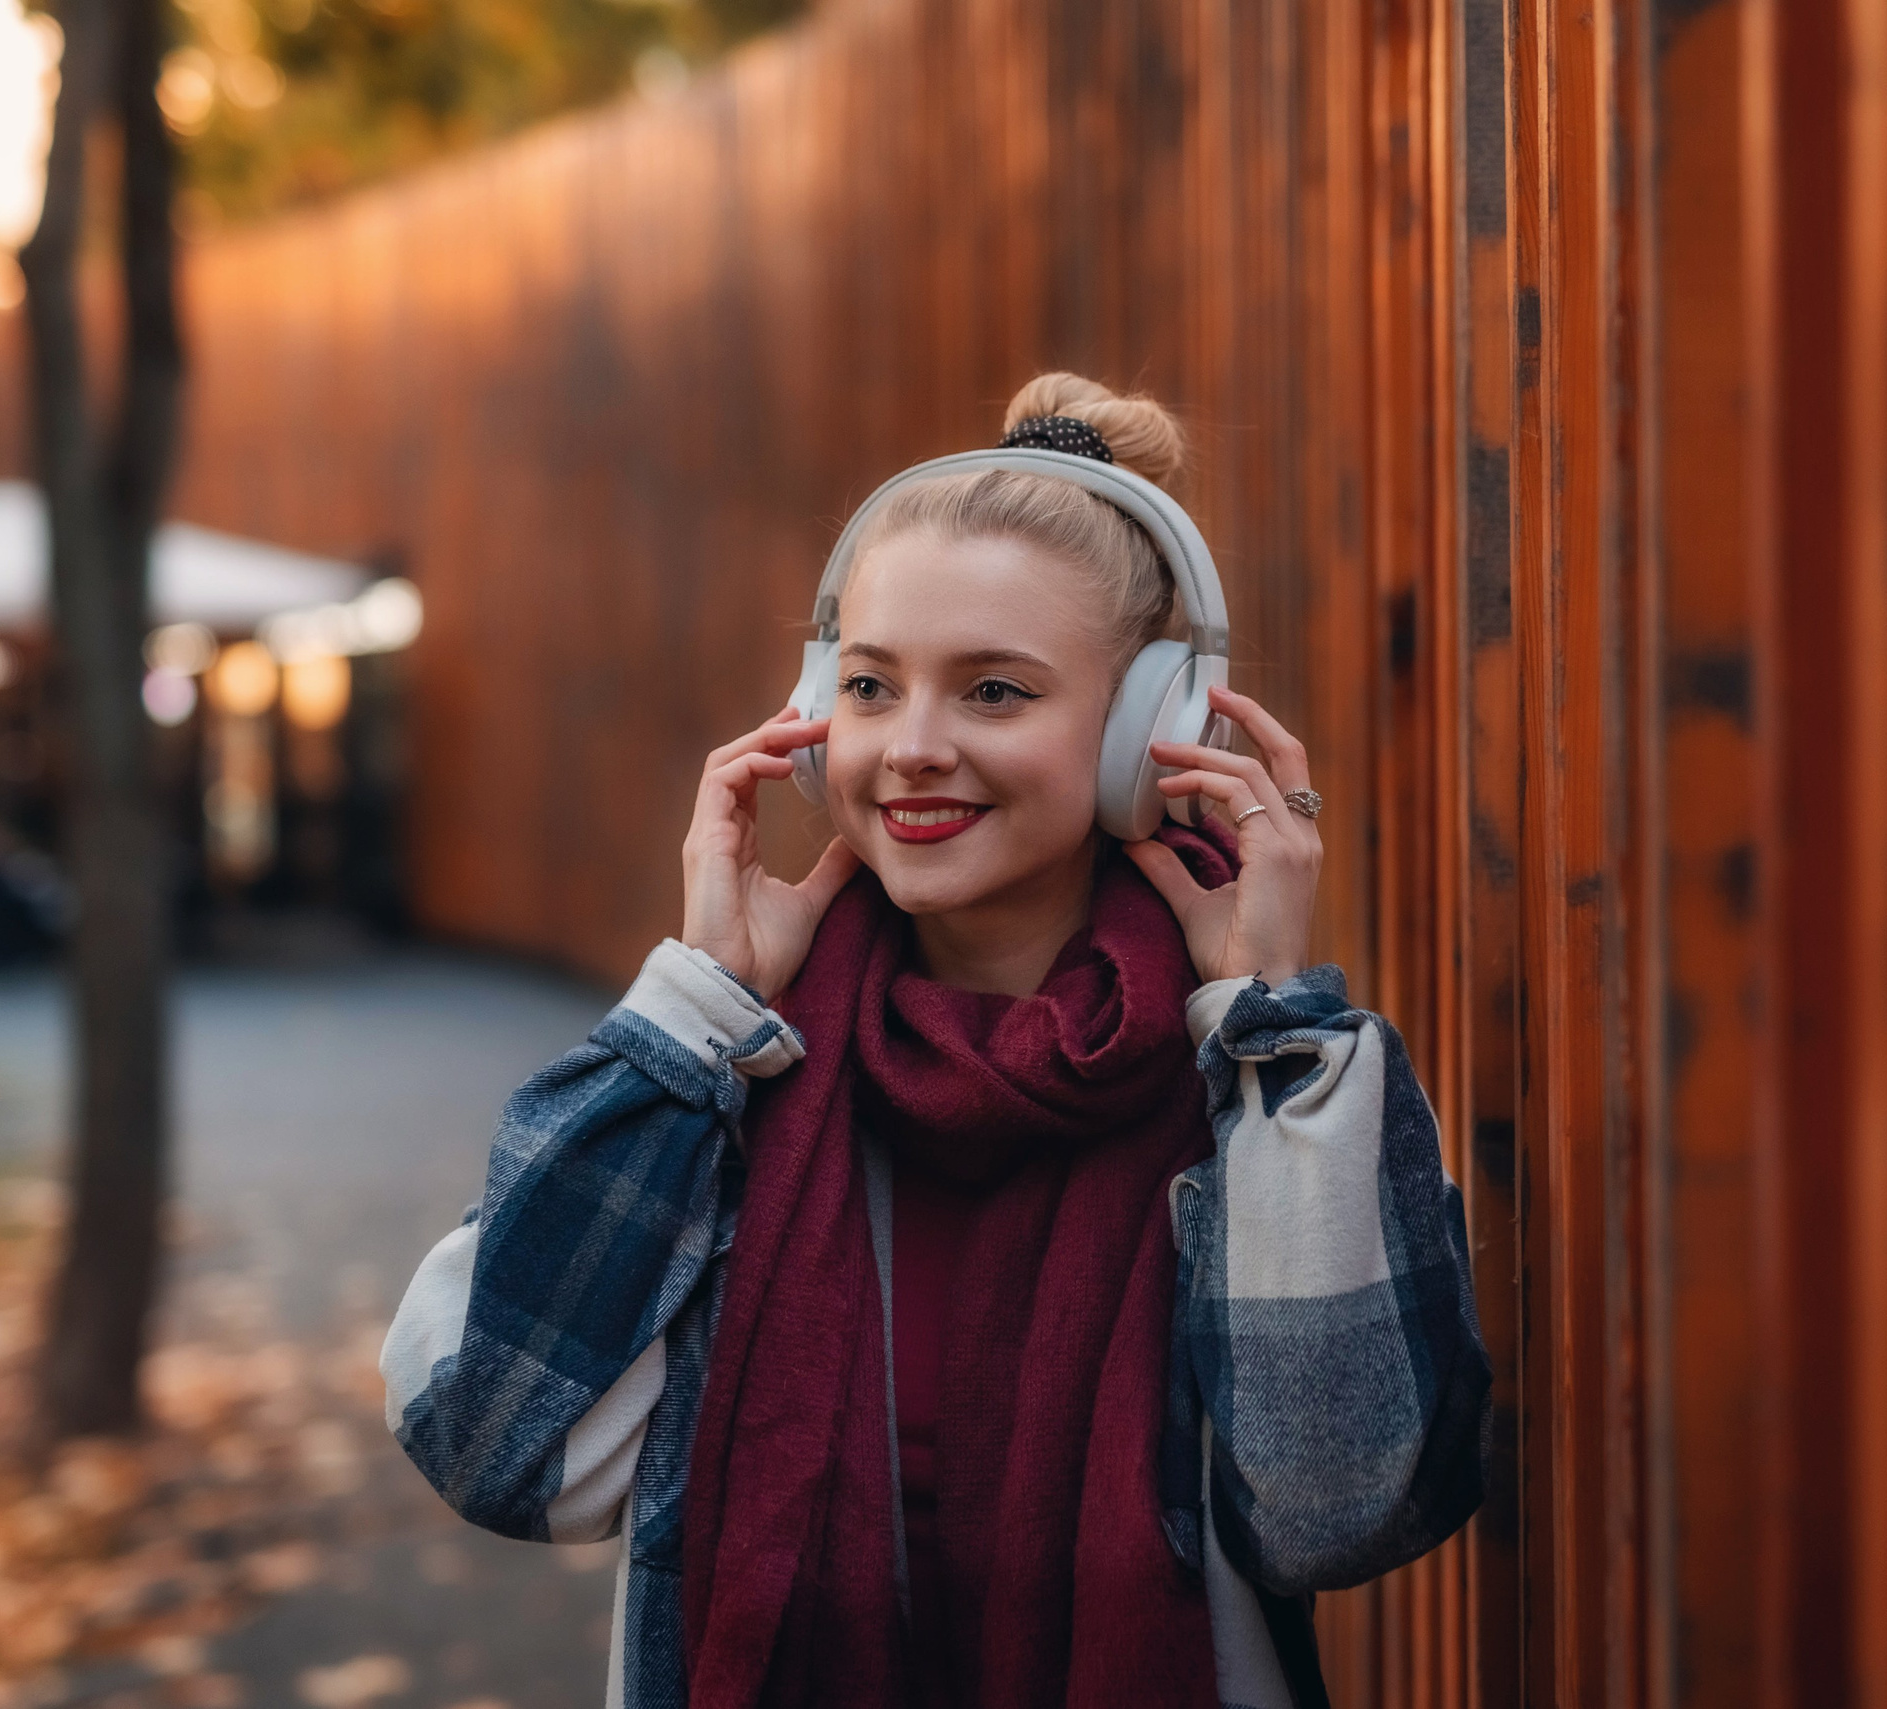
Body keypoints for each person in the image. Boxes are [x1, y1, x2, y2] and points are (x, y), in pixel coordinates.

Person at [381, 374, 1489, 1709]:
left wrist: (1269, 1029)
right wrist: (691, 1015)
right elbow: (490, 1438)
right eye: (868, 682)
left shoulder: (1270, 1097)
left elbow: (1338, 1504)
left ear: (1155, 733)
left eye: (995, 692)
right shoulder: (729, 1083)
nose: (911, 747)